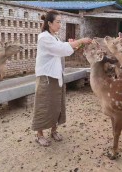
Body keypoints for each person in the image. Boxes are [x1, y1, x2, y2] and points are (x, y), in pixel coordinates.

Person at [32, 10, 92, 147]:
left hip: (57, 76)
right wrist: (80, 41)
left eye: (60, 22)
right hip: (46, 78)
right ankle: (39, 134)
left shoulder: (55, 38)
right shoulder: (44, 37)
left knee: (57, 105)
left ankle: (54, 130)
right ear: (49, 23)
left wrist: (76, 45)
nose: (60, 25)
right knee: (43, 105)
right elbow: (61, 49)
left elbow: (64, 49)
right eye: (58, 22)